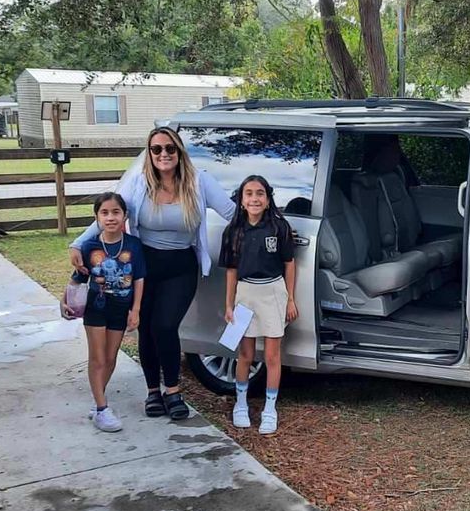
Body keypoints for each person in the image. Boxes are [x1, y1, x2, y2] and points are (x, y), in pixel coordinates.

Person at [70, 126, 235, 420]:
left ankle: (172, 390)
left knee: (164, 326)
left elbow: (232, 213)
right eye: (156, 149)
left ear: (179, 151)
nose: (163, 154)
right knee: (146, 328)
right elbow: (109, 212)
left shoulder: (200, 182)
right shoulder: (138, 183)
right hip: (144, 266)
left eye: (169, 148)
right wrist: (79, 243)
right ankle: (152, 392)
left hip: (181, 266)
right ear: (149, 153)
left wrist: (271, 222)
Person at [220, 174, 297, 435]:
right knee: (246, 354)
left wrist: (290, 299)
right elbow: (231, 271)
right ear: (241, 200)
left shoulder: (279, 228)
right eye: (249, 193)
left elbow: (289, 263)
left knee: (273, 355)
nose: (255, 198)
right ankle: (240, 403)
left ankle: (269, 408)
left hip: (273, 292)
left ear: (268, 198)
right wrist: (229, 304)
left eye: (260, 193)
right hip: (245, 294)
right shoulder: (234, 231)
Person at [64, 192, 146, 432]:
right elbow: (78, 278)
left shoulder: (133, 245)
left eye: (116, 212)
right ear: (97, 217)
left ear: (124, 216)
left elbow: (139, 278)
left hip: (121, 309)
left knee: (110, 358)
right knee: (97, 358)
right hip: (96, 308)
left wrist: (136, 309)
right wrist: (65, 301)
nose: (110, 217)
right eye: (105, 213)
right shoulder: (89, 246)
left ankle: (98, 398)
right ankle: (102, 408)